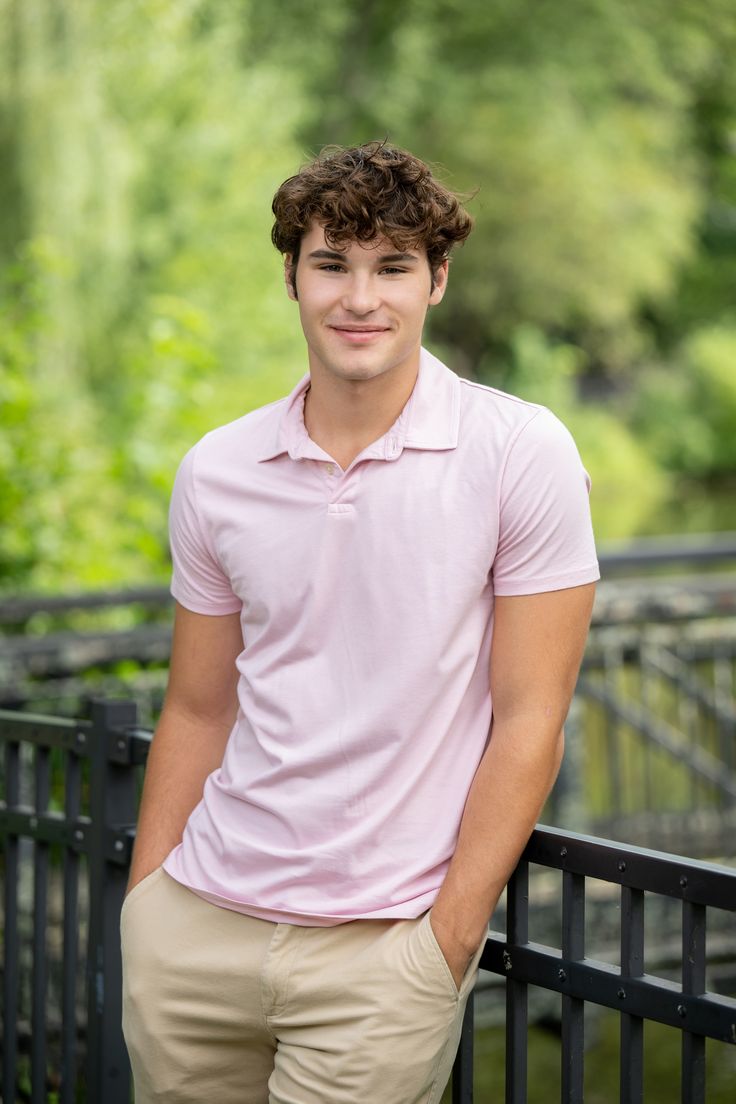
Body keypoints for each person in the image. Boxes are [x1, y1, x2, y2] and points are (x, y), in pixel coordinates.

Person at [121, 140, 599, 1104]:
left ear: (438, 281)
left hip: (382, 957)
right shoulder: (218, 469)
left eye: (393, 268)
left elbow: (530, 720)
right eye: (332, 263)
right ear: (291, 275)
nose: (359, 299)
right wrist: (147, 908)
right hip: (196, 935)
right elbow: (199, 707)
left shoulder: (517, 453)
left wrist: (447, 941)